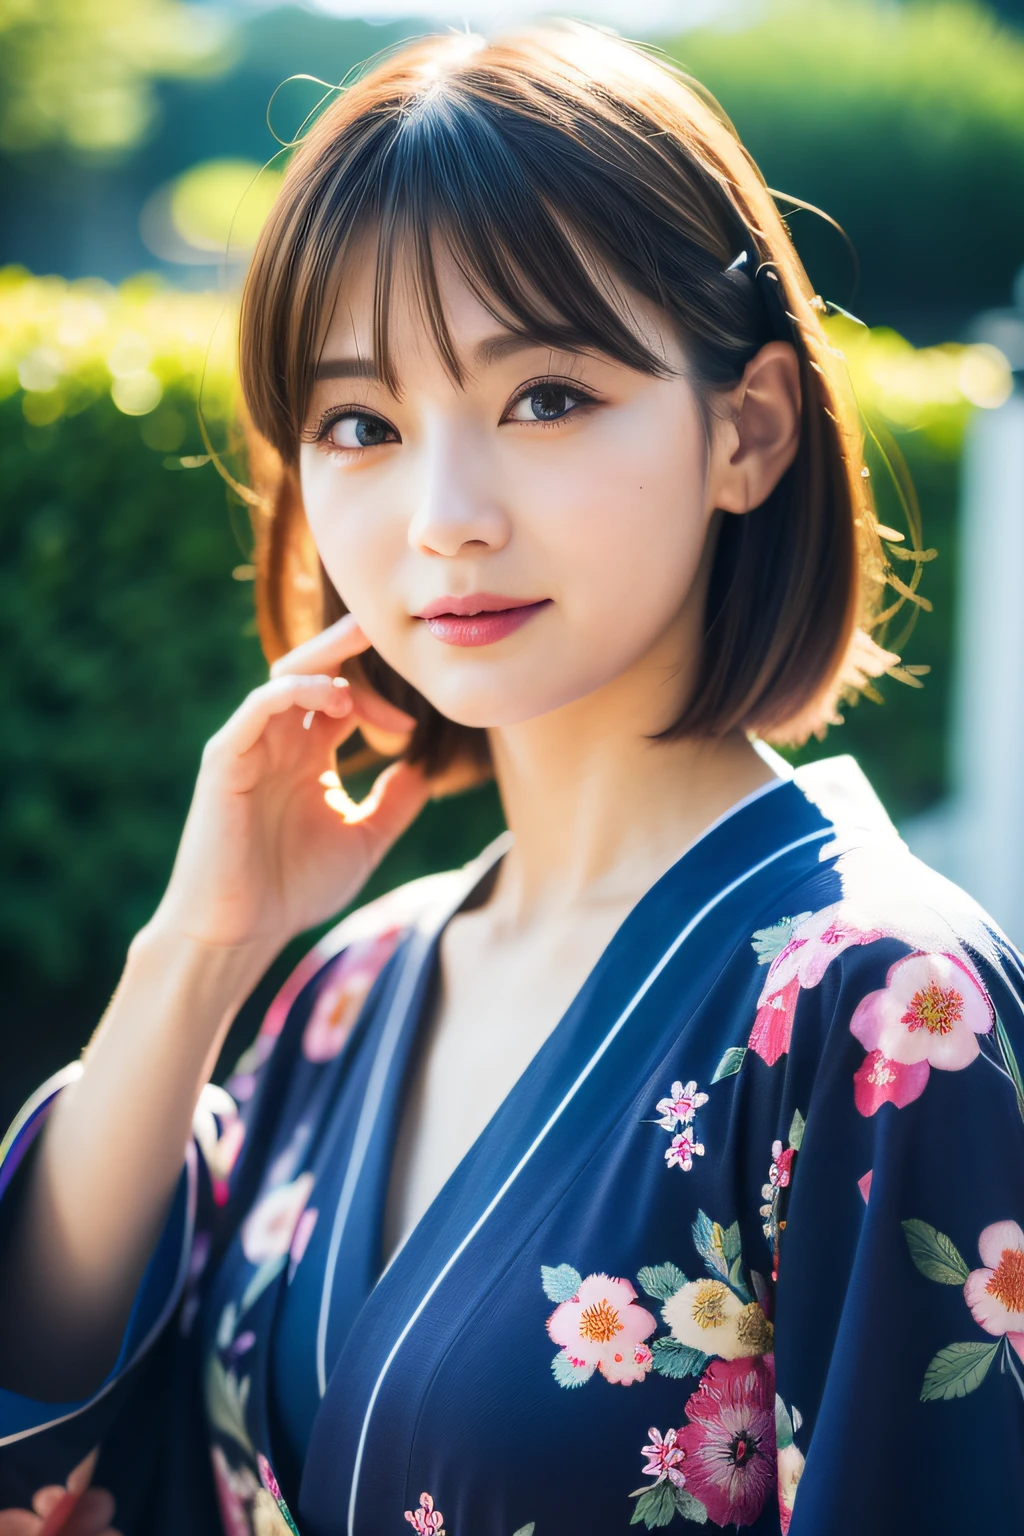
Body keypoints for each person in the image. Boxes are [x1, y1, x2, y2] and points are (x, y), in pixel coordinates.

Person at [1, 20, 1022, 1536]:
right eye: (361, 424)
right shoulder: (350, 983)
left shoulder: (885, 1006)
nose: (445, 515)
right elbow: (56, 1426)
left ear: (746, 430)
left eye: (545, 396)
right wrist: (198, 954)